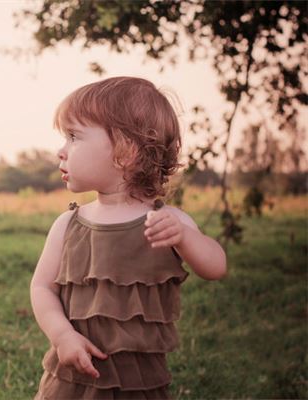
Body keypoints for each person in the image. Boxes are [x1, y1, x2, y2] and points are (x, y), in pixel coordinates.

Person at [30, 76, 227, 399]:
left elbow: (216, 266)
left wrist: (184, 238)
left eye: (74, 137)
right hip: (71, 379)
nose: (61, 151)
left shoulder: (168, 222)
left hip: (139, 384)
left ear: (126, 150)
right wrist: (62, 335)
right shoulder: (68, 225)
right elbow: (42, 288)